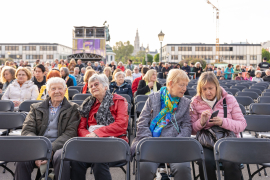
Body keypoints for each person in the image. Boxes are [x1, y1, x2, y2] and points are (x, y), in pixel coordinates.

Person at [131, 69, 192, 180]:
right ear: (170, 84)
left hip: (175, 146)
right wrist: (150, 142)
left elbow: (187, 126)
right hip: (152, 144)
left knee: (183, 168)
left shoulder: (185, 103)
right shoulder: (153, 99)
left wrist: (177, 143)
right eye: (182, 85)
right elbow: (142, 123)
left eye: (186, 85)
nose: (185, 89)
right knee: (145, 167)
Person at [15, 77, 80, 180]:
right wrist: (39, 149)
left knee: (61, 156)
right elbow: (27, 130)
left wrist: (50, 150)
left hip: (60, 146)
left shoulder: (73, 108)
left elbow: (70, 133)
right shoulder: (36, 107)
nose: (57, 91)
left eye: (60, 88)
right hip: (37, 145)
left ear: (65, 90)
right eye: (53, 89)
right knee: (23, 158)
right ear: (48, 91)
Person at [190, 72, 246, 180]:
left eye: (210, 88)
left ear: (217, 86)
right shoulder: (195, 102)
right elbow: (191, 129)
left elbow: (242, 125)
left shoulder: (229, 99)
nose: (208, 92)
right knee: (205, 161)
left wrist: (223, 122)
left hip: (227, 140)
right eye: (204, 89)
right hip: (206, 142)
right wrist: (201, 122)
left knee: (231, 162)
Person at [71, 74, 129, 180]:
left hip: (115, 143)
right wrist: (88, 136)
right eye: (91, 86)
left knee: (99, 161)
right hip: (91, 143)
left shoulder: (119, 101)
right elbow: (81, 127)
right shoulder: (88, 104)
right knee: (75, 161)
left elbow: (121, 125)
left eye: (96, 84)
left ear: (105, 86)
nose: (93, 87)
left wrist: (97, 133)